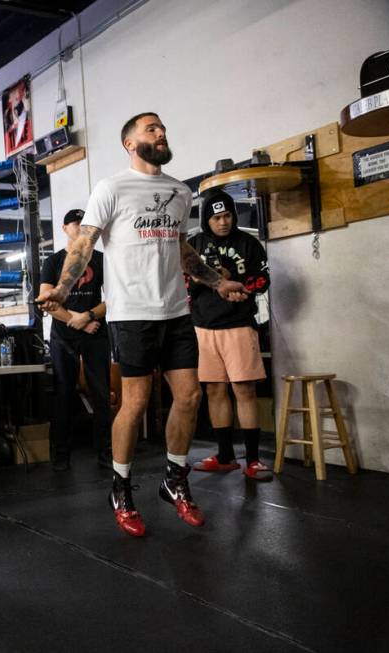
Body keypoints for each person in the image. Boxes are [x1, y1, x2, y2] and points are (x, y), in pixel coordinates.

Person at [36, 113, 249, 538]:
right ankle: (121, 488)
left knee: (189, 397)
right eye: (151, 129)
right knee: (134, 403)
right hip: (132, 314)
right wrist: (62, 287)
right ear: (129, 143)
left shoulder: (179, 191)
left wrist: (217, 282)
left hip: (176, 311)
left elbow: (182, 250)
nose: (161, 133)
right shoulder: (112, 187)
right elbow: (85, 242)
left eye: (163, 128)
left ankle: (174, 479)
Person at [188, 190, 273, 481]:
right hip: (203, 327)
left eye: (227, 217)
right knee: (214, 391)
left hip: (238, 325)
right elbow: (183, 282)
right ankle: (225, 455)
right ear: (206, 220)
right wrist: (210, 280)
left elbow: (263, 278)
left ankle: (252, 459)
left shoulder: (247, 243)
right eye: (216, 218)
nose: (223, 222)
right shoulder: (194, 245)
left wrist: (241, 287)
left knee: (244, 391)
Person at [39, 208, 111, 471]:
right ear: (64, 228)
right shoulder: (54, 262)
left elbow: (114, 297)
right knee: (63, 395)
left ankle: (106, 453)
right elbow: (46, 300)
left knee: (101, 395)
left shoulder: (102, 260)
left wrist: (90, 316)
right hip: (65, 335)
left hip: (95, 331)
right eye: (74, 223)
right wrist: (77, 320)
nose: (80, 227)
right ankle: (61, 455)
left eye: (84, 223)